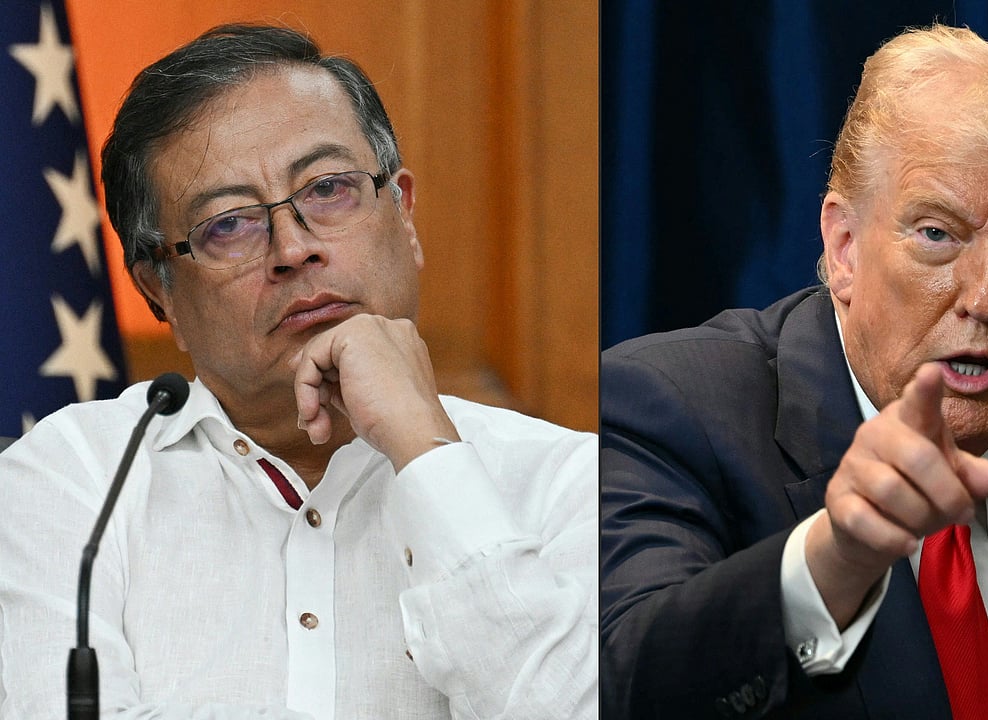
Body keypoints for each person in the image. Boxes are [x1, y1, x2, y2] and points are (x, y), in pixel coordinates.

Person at [600, 24, 988, 719]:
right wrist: (836, 559)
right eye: (938, 234)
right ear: (845, 247)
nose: (984, 298)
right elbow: (621, 684)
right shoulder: (671, 408)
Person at [0, 24, 597, 719]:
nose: (293, 247)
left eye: (329, 189)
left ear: (403, 215)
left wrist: (422, 448)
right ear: (159, 291)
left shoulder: (569, 483)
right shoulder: (74, 481)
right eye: (229, 224)